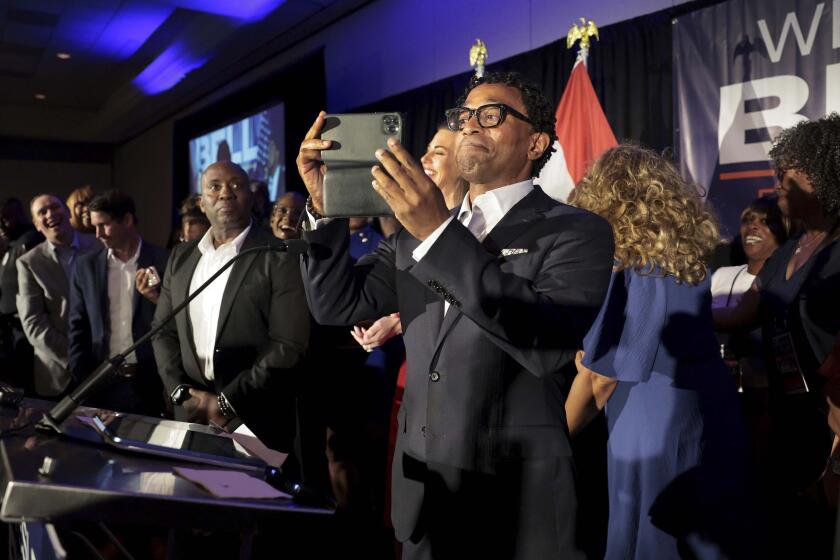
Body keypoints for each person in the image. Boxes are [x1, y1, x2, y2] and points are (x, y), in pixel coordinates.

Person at [297, 71, 614, 558]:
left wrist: (437, 235)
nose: (469, 125)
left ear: (535, 143)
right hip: (424, 495)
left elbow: (546, 342)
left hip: (517, 503)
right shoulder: (413, 234)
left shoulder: (576, 231)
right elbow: (337, 303)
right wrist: (324, 211)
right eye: (464, 116)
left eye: (491, 116)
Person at [567, 145, 750, 559]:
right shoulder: (689, 258)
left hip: (649, 418)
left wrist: (550, 444)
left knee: (652, 536)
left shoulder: (625, 262)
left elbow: (600, 378)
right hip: (709, 410)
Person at [714, 113, 840, 557]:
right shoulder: (787, 251)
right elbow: (739, 314)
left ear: (827, 173)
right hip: (787, 419)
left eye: (794, 166)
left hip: (833, 423)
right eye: (779, 167)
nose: (780, 177)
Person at [151, 161, 310, 457]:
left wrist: (224, 402)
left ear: (251, 197)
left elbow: (289, 344)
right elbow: (163, 332)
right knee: (191, 497)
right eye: (214, 187)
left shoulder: (278, 256)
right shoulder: (180, 257)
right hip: (190, 413)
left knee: (250, 500)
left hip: (254, 416)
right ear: (202, 202)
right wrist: (182, 394)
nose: (225, 193)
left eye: (236, 185)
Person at [68, 190, 168, 415]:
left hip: (149, 382)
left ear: (128, 220)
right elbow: (78, 327)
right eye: (94, 226)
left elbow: (176, 322)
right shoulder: (85, 266)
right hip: (100, 383)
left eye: (103, 225)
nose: (97, 234)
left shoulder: (164, 261)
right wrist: (82, 378)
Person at [711, 197, 786, 465]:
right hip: (718, 394)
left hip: (764, 398)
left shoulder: (783, 278)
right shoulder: (721, 275)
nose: (752, 228)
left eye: (764, 222)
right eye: (747, 221)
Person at [16, 195, 99, 397]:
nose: (50, 214)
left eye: (55, 207)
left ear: (68, 212)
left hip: (102, 367)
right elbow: (33, 323)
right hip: (58, 374)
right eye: (42, 212)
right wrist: (75, 356)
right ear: (36, 224)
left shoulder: (98, 246)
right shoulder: (29, 263)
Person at [0, 197, 43, 389]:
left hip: (25, 332)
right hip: (12, 332)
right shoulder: (12, 245)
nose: (2, 225)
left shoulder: (28, 242)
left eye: (6, 219)